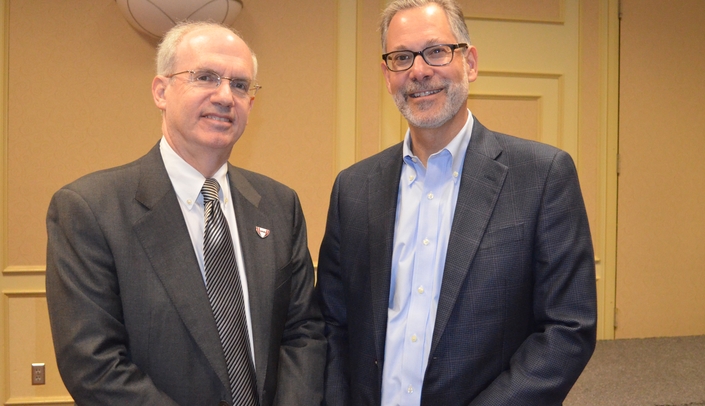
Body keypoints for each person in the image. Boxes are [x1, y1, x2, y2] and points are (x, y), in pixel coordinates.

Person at [316, 0, 597, 404]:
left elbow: (567, 328)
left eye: (436, 51)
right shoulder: (353, 188)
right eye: (401, 57)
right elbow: (333, 324)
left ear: (470, 63)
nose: (418, 71)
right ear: (387, 75)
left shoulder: (542, 175)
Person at [46, 21, 325, 406]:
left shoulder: (279, 205)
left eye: (240, 85)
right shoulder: (89, 209)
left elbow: (303, 333)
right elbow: (93, 365)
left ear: (251, 104)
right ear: (161, 91)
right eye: (206, 77)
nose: (225, 96)